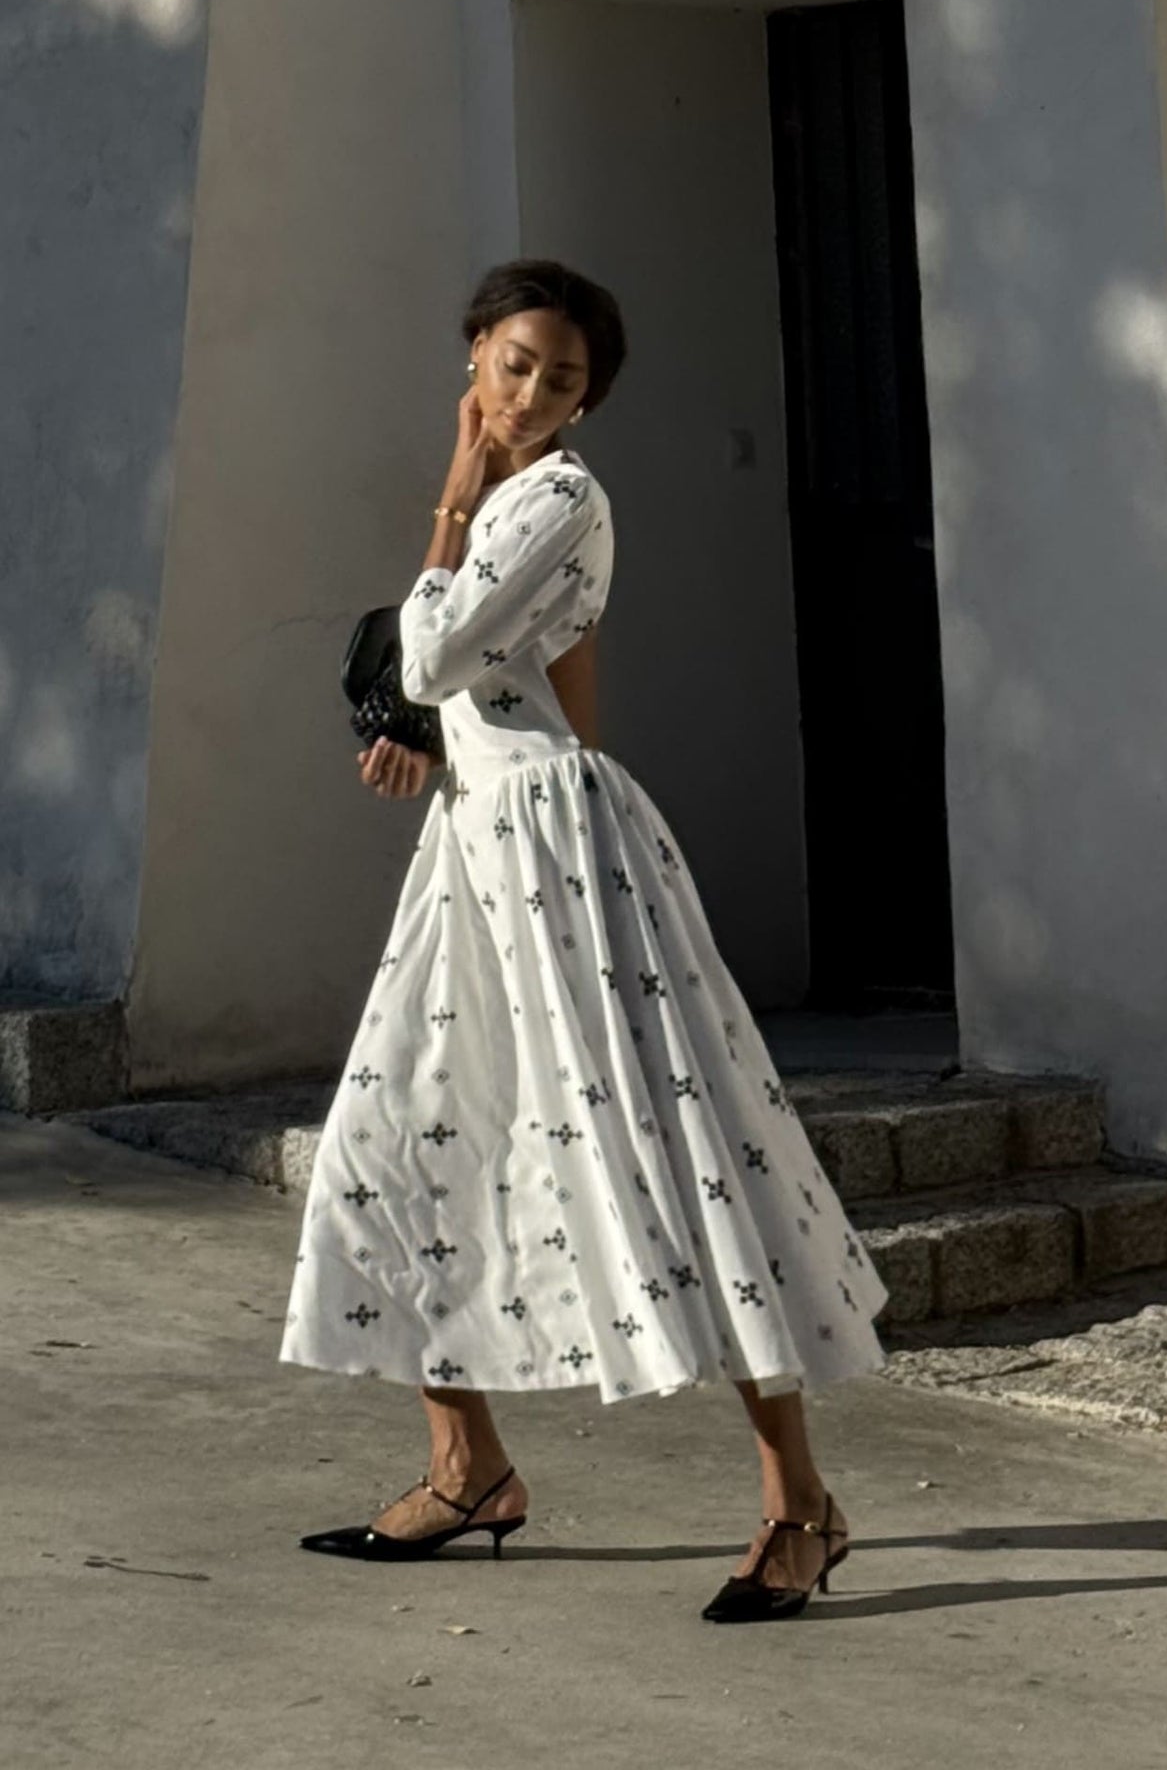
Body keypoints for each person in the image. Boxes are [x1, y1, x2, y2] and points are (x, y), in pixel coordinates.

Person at [279, 259, 889, 1623]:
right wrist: (428, 754)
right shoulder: (509, 504)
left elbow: (432, 650)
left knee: (672, 1157)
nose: (535, 393)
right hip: (477, 842)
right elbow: (498, 688)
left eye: (565, 378)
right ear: (475, 355)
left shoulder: (559, 497)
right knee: (390, 1144)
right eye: (515, 364)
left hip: (560, 853)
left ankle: (801, 1503)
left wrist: (448, 491)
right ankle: (469, 1467)